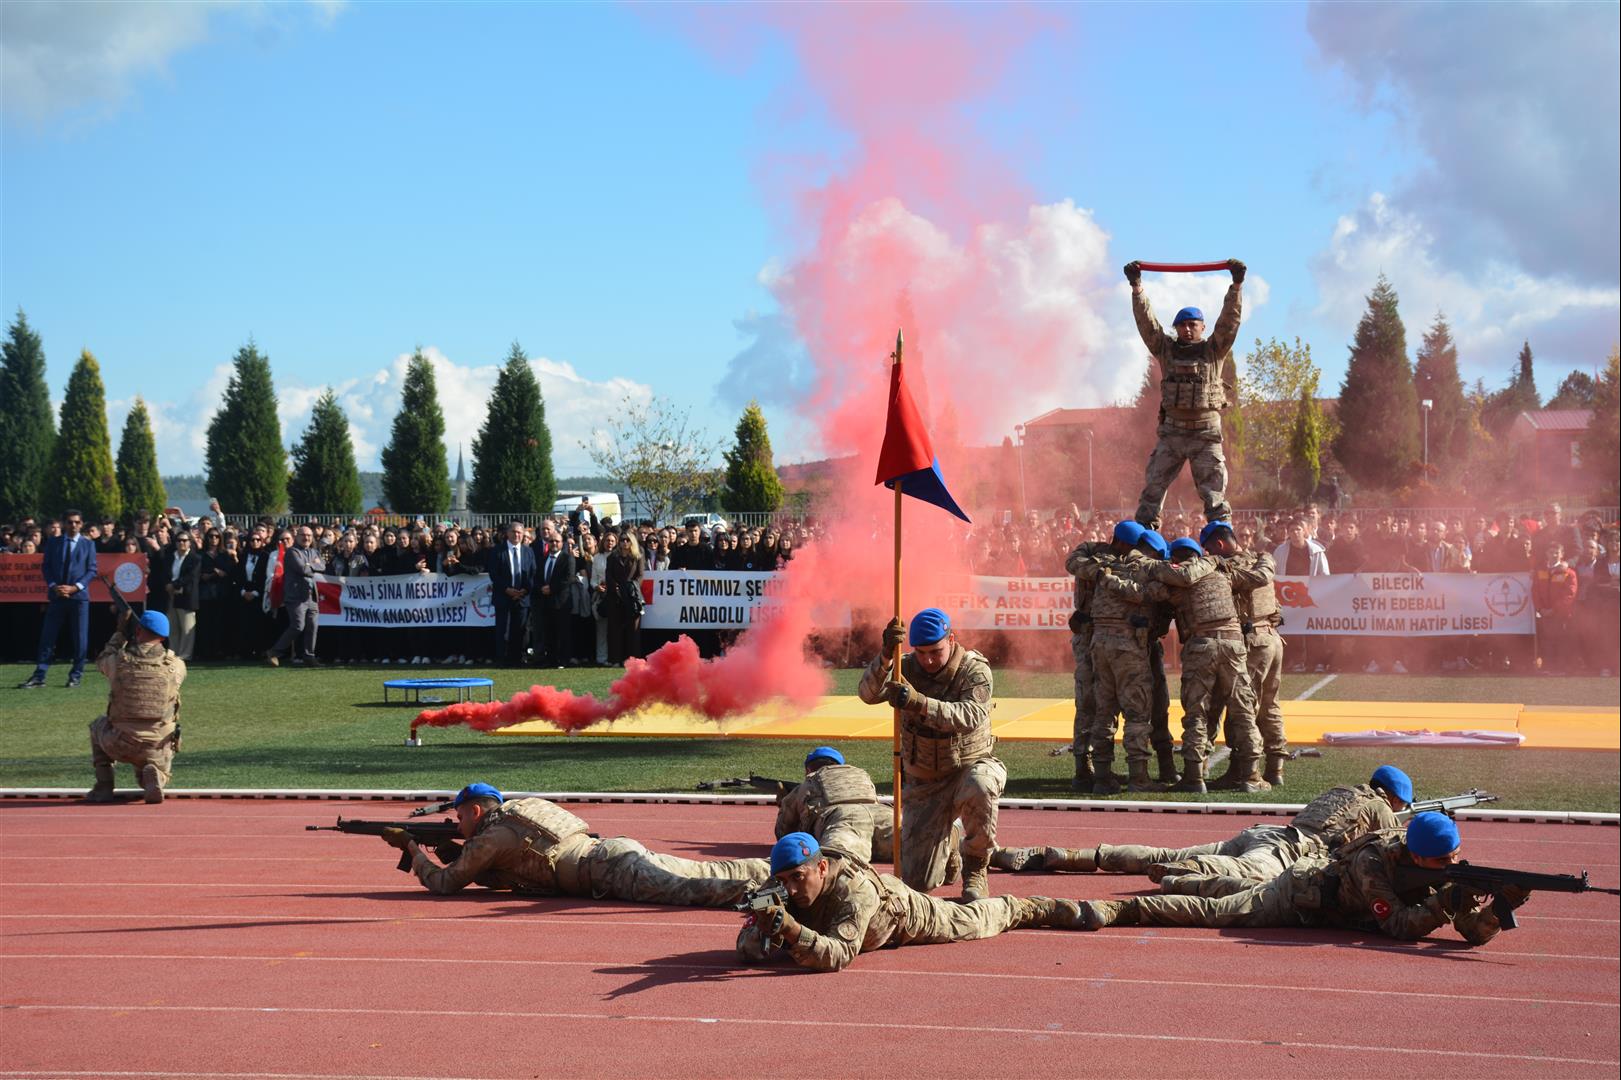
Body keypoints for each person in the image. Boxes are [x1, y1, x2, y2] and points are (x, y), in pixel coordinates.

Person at [1073, 813, 1517, 948]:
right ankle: (1131, 906)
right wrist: (1444, 901)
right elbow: (1397, 926)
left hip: (1309, 886)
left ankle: (1179, 879)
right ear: (1418, 855)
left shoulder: (1433, 863)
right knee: (1216, 912)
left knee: (1226, 890)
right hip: (1297, 895)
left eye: (1455, 856)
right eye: (1444, 859)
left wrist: (1500, 908)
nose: (1452, 862)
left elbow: (1468, 933)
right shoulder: (1373, 863)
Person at [734, 833, 1083, 972]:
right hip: (850, 924)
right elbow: (746, 948)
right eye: (783, 881)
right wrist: (764, 931)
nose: (791, 889)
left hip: (900, 913)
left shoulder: (854, 891)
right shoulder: (777, 886)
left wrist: (791, 929)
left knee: (972, 922)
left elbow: (839, 955)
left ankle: (1027, 907)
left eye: (799, 877)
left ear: (821, 867)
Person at [387, 784, 770, 905]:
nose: (457, 824)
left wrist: (412, 850)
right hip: (612, 851)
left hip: (606, 870)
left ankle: (765, 892)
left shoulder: (490, 837)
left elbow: (445, 884)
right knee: (702, 870)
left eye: (459, 817)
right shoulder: (523, 810)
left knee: (691, 891)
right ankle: (767, 867)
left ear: (474, 810)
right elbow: (518, 870)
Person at [1030, 765, 1411, 881]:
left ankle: (1079, 855)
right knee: (1249, 873)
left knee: (1166, 848)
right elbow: (1394, 847)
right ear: (1393, 799)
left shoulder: (1341, 786)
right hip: (1286, 848)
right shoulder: (1381, 810)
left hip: (1266, 832)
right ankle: (1186, 871)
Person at [857, 607, 1003, 899]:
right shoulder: (905, 666)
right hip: (924, 781)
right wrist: (886, 655)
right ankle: (948, 842)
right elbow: (868, 694)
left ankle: (975, 869)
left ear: (952, 638)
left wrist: (919, 702)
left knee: (981, 786)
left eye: (935, 651)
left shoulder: (974, 669)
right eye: (921, 653)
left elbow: (970, 716)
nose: (928, 660)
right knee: (917, 884)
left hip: (969, 768)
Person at [1125, 258, 1246, 529]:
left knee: (1214, 495)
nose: (1188, 329)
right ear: (1176, 328)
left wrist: (1236, 287)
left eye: (1193, 324)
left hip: (1205, 436)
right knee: (1153, 489)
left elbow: (1229, 322)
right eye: (1183, 325)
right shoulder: (1165, 350)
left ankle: (1220, 538)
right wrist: (1137, 289)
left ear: (1203, 327)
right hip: (1173, 434)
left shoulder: (1214, 350)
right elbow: (1147, 325)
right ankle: (1144, 537)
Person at [1076, 522, 1161, 795]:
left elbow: (1074, 563)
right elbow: (1155, 593)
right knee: (1137, 710)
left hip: (1098, 643)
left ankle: (1102, 777)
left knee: (1104, 710)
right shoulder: (1141, 568)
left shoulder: (1097, 565)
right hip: (1127, 645)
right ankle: (1139, 777)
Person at [1210, 521, 1288, 786]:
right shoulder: (1261, 558)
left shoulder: (1226, 568)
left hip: (1253, 641)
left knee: (1243, 705)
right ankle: (1275, 768)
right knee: (1270, 705)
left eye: (1209, 548)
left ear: (1219, 545)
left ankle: (1241, 769)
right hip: (1272, 638)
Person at [88, 609, 185, 804]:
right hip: (157, 744)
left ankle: (104, 785)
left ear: (138, 631)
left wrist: (120, 632)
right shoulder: (176, 665)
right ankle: (156, 774)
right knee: (167, 736)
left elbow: (101, 660)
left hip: (118, 742)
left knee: (96, 726)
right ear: (164, 636)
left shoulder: (118, 661)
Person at [773, 746, 894, 864]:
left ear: (808, 770)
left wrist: (784, 802)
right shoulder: (861, 776)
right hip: (885, 816)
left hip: (846, 821)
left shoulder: (807, 783)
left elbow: (785, 835)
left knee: (838, 867)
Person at [19, 509, 97, 689]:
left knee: (80, 639)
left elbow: (92, 570)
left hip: (79, 597)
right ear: (64, 524)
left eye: (77, 522)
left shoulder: (88, 545)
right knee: (48, 637)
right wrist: (54, 586)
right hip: (57, 596)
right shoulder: (53, 543)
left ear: (81, 524)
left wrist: (75, 587)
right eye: (70, 522)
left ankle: (76, 675)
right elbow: (46, 567)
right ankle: (40, 675)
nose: (73, 525)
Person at [266, 525, 326, 666]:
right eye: (303, 535)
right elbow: (302, 569)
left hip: (312, 596)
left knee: (312, 626)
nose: (306, 538)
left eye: (309, 535)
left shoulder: (313, 551)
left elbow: (322, 566)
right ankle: (274, 652)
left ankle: (309, 656)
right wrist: (313, 565)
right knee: (298, 626)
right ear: (297, 537)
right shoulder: (292, 552)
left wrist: (310, 565)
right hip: (296, 596)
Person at [486, 521, 535, 666]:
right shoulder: (497, 551)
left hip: (522, 597)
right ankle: (502, 658)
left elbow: (533, 572)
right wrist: (507, 589)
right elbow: (494, 574)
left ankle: (518, 658)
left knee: (520, 630)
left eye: (520, 532)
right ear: (508, 534)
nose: (517, 535)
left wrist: (525, 589)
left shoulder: (528, 551)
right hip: (503, 596)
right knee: (503, 630)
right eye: (514, 532)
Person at [161, 530, 203, 662]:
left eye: (184, 540)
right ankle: (173, 652)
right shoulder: (170, 557)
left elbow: (191, 576)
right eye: (179, 540)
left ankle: (185, 654)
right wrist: (168, 585)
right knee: (173, 627)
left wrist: (174, 585)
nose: (181, 543)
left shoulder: (195, 558)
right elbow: (164, 573)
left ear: (190, 542)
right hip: (170, 595)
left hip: (186, 596)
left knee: (186, 627)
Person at [603, 531, 644, 664]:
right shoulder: (612, 557)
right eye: (622, 540)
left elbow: (640, 575)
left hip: (633, 597)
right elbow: (608, 574)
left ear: (632, 541)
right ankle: (615, 659)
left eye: (627, 540)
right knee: (615, 629)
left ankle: (633, 659)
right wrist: (615, 586)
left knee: (633, 630)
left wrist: (632, 587)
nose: (624, 542)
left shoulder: (638, 557)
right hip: (615, 596)